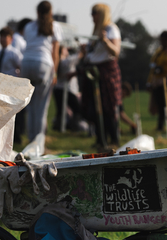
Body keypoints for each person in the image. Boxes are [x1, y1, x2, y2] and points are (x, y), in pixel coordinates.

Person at [82, 3, 122, 149]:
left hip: (106, 72)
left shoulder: (111, 29)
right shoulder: (95, 30)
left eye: (95, 13)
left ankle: (113, 139)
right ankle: (100, 139)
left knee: (108, 106)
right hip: (93, 71)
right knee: (94, 107)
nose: (92, 16)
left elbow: (116, 52)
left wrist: (105, 40)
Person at [20, 1, 62, 142]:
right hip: (43, 65)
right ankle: (39, 142)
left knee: (30, 107)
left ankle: (30, 139)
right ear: (51, 12)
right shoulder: (54, 27)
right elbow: (55, 54)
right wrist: (55, 73)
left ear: (36, 12)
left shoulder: (28, 26)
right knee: (41, 107)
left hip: (26, 64)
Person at [52, 46, 83, 131]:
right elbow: (79, 55)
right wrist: (81, 48)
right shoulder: (66, 61)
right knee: (77, 109)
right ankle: (74, 126)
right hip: (67, 89)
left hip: (57, 88)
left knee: (60, 110)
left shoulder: (58, 62)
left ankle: (58, 126)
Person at [12, 18, 32, 144]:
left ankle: (21, 132)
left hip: (21, 74)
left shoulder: (20, 39)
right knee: (18, 108)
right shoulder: (17, 39)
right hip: (17, 76)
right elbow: (16, 56)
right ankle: (18, 134)